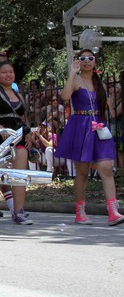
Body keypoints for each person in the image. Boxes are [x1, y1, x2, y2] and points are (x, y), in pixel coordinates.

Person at [55, 50, 124, 226]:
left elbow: (109, 108)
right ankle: (80, 212)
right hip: (81, 126)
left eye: (90, 58)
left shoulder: (99, 82)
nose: (86, 61)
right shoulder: (76, 80)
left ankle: (113, 211)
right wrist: (72, 72)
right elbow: (64, 97)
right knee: (83, 172)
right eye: (83, 58)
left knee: (106, 167)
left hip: (99, 126)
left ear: (95, 62)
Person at [0, 61, 33, 225]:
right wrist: (1, 129)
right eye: (4, 72)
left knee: (19, 175)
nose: (8, 75)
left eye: (11, 72)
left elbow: (24, 118)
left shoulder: (18, 95)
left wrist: (28, 133)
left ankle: (18, 212)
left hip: (18, 137)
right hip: (0, 139)